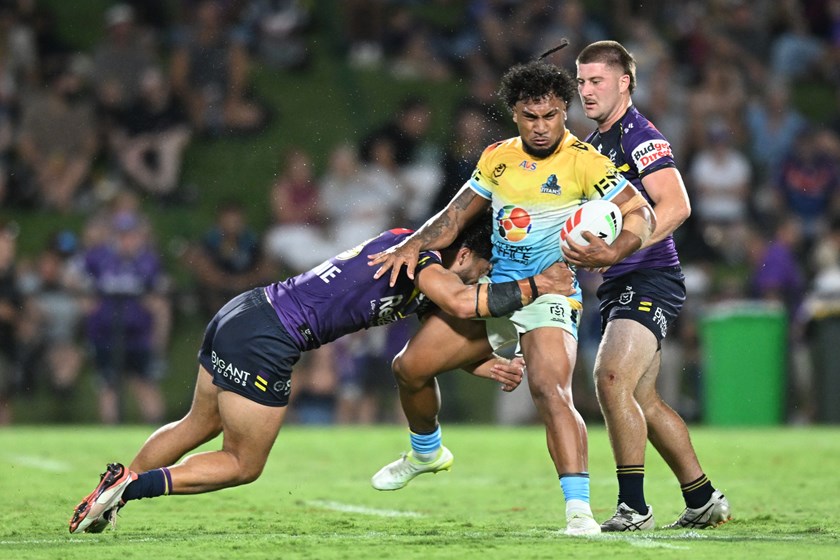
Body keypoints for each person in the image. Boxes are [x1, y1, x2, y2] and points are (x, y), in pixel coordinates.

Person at [68, 213, 576, 534]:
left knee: (195, 426)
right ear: (462, 253)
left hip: (244, 312)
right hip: (269, 340)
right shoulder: (421, 258)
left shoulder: (417, 260)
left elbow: (433, 320)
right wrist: (539, 284)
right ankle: (128, 488)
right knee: (243, 464)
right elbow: (462, 302)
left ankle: (114, 490)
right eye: (481, 270)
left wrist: (480, 362)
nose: (480, 280)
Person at [367, 58, 655, 536]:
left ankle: (578, 511)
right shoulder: (497, 157)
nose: (541, 128)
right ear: (514, 114)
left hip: (551, 293)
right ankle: (426, 452)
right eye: (529, 117)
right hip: (498, 290)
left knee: (549, 388)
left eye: (550, 116)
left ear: (564, 110)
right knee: (408, 368)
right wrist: (413, 243)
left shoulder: (586, 162)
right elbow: (456, 216)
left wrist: (614, 250)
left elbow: (639, 211)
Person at [574, 40, 730, 531]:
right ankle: (703, 498)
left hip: (649, 275)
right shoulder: (594, 144)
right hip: (621, 280)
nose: (586, 91)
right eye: (580, 81)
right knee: (641, 398)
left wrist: (621, 247)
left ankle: (633, 507)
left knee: (610, 377)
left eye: (596, 80)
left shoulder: (640, 135)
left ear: (624, 82)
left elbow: (677, 205)